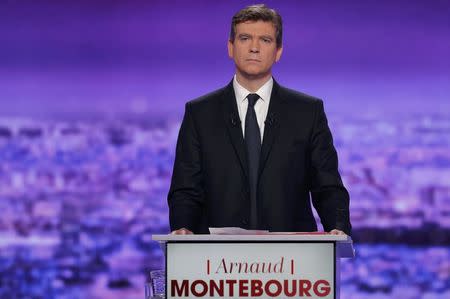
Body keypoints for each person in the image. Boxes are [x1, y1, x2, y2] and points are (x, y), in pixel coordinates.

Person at [168, 4, 351, 235]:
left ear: (278, 52)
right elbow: (186, 190)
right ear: (231, 48)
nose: (254, 48)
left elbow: (328, 187)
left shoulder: (308, 112)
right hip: (217, 263)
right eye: (245, 38)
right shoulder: (199, 113)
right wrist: (182, 227)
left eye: (265, 40)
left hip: (293, 262)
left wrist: (338, 228)